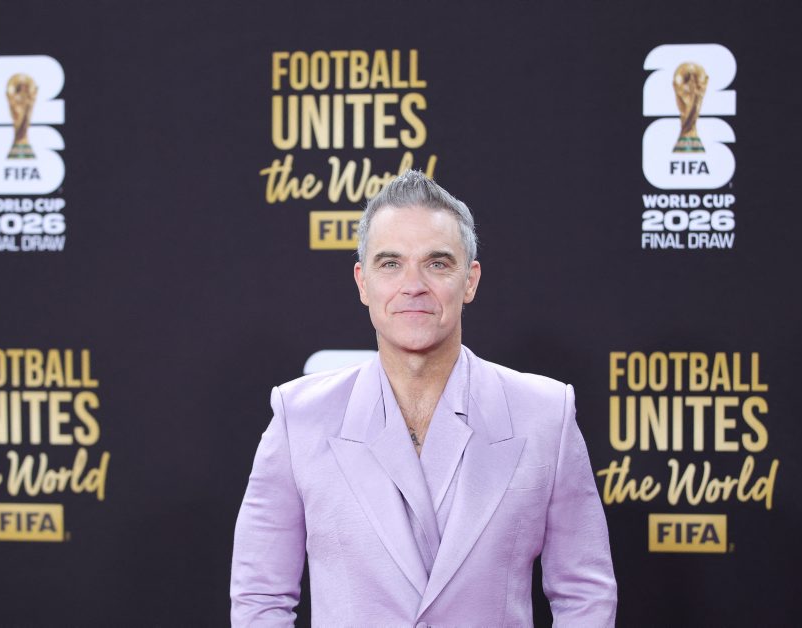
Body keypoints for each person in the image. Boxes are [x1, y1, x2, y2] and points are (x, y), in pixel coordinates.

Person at [230, 170, 617, 626]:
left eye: (437, 263)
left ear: (469, 280)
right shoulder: (299, 418)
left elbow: (584, 593)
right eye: (390, 264)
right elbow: (260, 598)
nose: (413, 285)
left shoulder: (546, 414)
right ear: (363, 282)